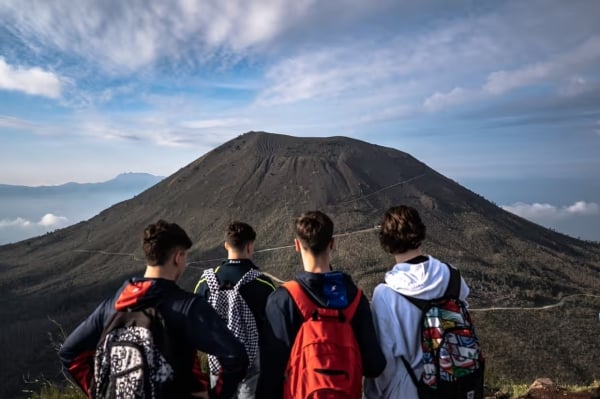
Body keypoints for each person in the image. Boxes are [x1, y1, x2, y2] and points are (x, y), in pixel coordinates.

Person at [59, 219, 249, 399]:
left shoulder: (113, 305)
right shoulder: (187, 307)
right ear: (178, 257)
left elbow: (70, 352)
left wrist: (100, 391)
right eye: (185, 256)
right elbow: (236, 356)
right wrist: (216, 395)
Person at [256, 210, 386, 399]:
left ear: (297, 245)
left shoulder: (283, 300)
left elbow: (270, 373)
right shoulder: (355, 299)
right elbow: (375, 365)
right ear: (332, 244)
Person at [363, 205, 472, 399]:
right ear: (420, 233)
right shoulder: (453, 278)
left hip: (409, 390)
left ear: (386, 242)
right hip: (456, 385)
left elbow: (384, 362)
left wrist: (372, 394)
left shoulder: (385, 295)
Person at [194, 221, 275, 399]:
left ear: (226, 245)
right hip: (253, 362)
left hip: (218, 363)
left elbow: (196, 323)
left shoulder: (206, 282)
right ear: (250, 246)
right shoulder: (263, 283)